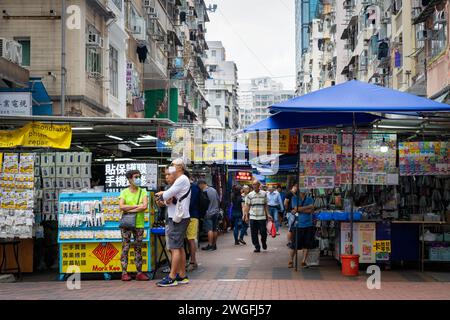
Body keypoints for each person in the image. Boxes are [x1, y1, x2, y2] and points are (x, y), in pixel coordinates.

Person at [155, 158, 191, 287]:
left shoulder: (181, 179)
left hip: (177, 218)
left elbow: (166, 196)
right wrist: (165, 196)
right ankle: (182, 275)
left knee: (174, 248)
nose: (171, 168)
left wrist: (162, 194)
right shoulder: (182, 180)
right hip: (178, 217)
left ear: (180, 167)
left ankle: (172, 277)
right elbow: (169, 198)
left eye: (173, 166)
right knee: (179, 247)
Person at [118, 170, 149, 281]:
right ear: (129, 179)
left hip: (139, 223)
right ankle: (124, 273)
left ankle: (139, 272)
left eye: (139, 176)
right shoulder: (124, 192)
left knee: (138, 248)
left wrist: (129, 207)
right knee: (125, 248)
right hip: (126, 224)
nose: (138, 178)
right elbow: (121, 206)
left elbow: (144, 206)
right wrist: (137, 206)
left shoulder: (143, 192)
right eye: (136, 177)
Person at [288, 188, 315, 268]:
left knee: (307, 244)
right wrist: (308, 207)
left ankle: (303, 261)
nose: (304, 190)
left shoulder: (310, 199)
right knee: (294, 245)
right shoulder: (294, 198)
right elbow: (295, 209)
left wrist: (299, 209)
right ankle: (291, 260)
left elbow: (311, 210)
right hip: (298, 224)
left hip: (308, 224)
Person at [244, 180, 270, 253]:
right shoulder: (250, 195)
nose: (254, 186)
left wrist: (268, 214)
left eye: (256, 184)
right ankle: (257, 246)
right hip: (253, 217)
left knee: (263, 232)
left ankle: (263, 242)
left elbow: (265, 205)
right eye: (253, 184)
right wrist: (246, 216)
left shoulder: (264, 193)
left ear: (259, 185)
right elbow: (247, 206)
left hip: (262, 216)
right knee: (254, 233)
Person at [198, 180, 220, 251]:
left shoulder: (204, 192)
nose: (199, 188)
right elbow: (218, 200)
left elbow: (203, 204)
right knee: (215, 229)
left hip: (208, 213)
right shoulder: (214, 190)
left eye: (199, 186)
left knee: (209, 230)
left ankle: (210, 245)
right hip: (216, 212)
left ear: (202, 184)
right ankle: (214, 244)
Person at [186, 177, 200, 271]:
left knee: (191, 239)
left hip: (192, 216)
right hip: (185, 216)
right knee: (188, 239)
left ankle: (193, 261)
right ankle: (191, 261)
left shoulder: (193, 188)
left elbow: (191, 203)